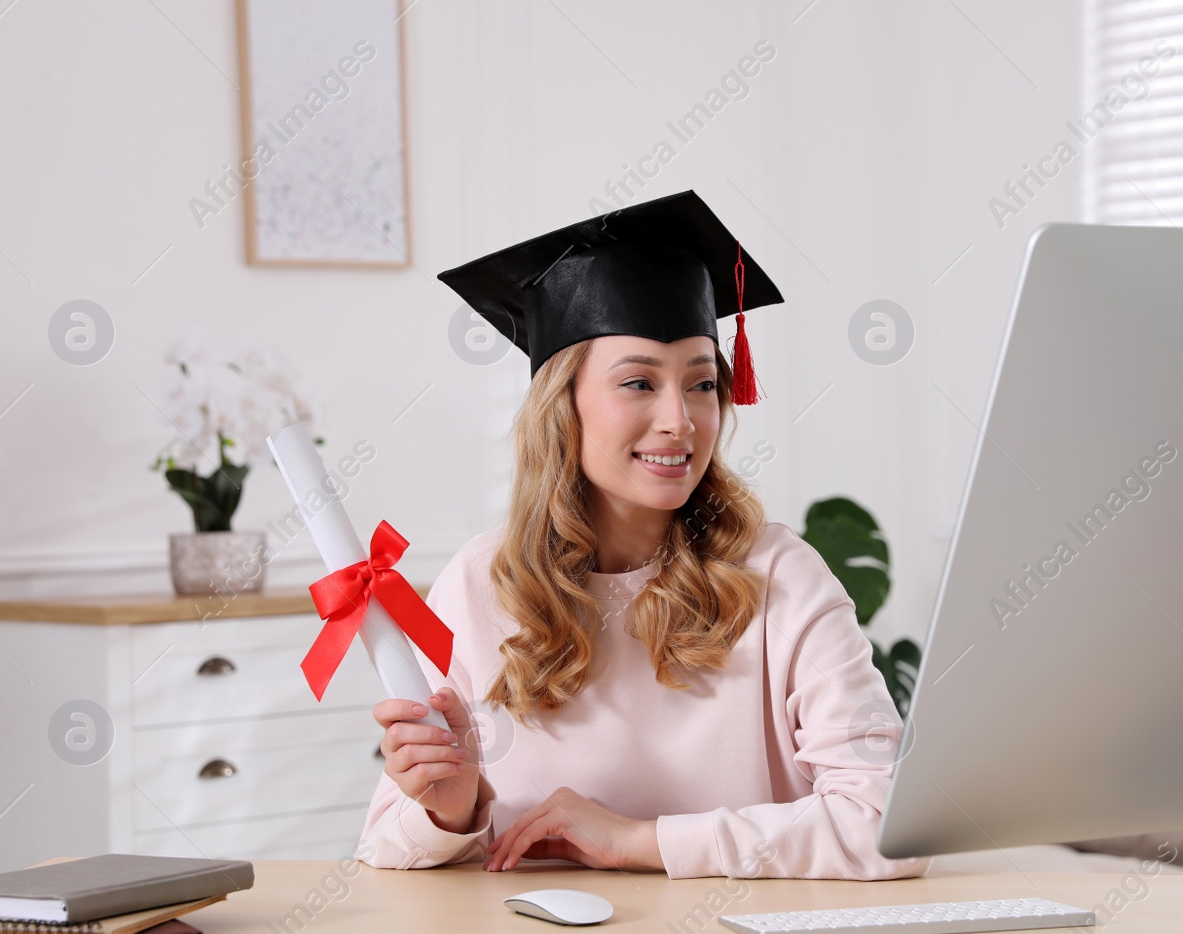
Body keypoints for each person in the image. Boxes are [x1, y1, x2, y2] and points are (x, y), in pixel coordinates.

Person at [357, 190, 928, 880]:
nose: (680, 420)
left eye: (700, 383)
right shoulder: (481, 584)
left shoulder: (780, 576)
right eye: (637, 383)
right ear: (561, 406)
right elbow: (384, 848)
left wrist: (639, 841)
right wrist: (451, 811)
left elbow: (887, 823)